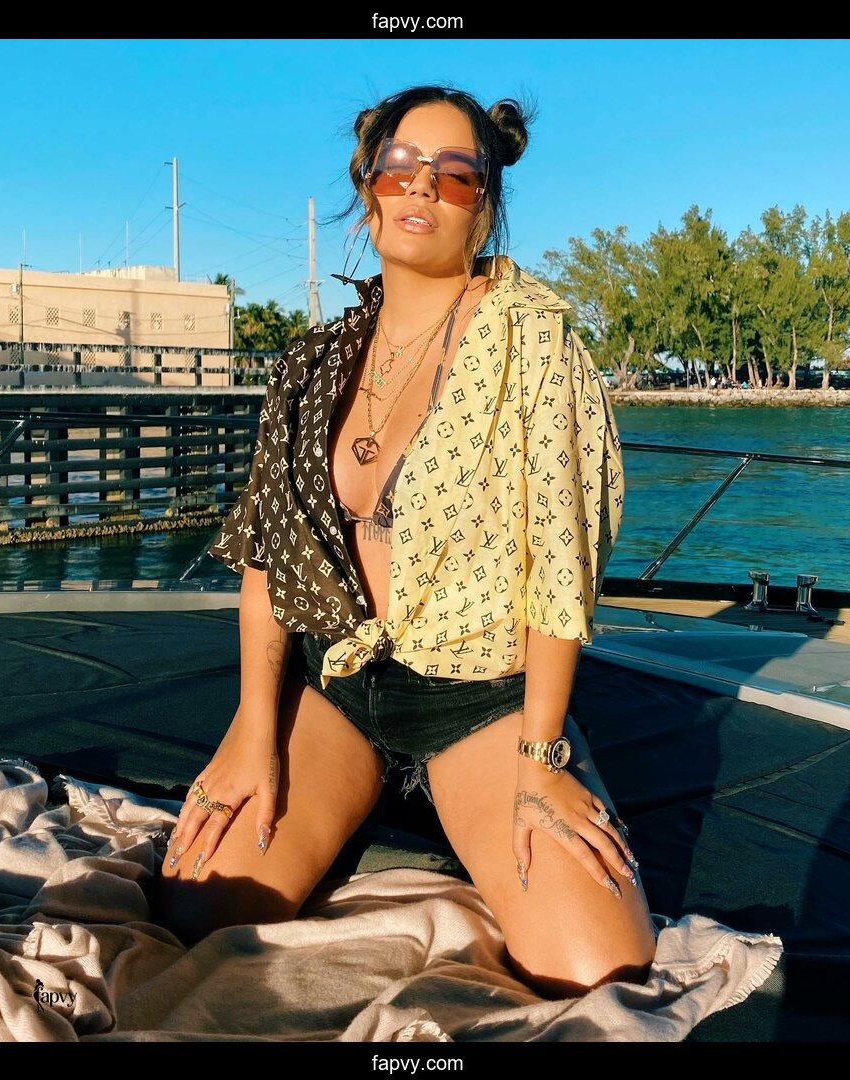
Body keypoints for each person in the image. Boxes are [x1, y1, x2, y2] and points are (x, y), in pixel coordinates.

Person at [157, 84, 657, 998]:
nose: (423, 185)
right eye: (400, 166)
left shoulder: (534, 347)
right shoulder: (313, 362)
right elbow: (270, 561)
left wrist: (541, 760)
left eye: (456, 175)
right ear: (368, 186)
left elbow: (561, 568)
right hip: (340, 683)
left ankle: (456, 790)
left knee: (598, 965)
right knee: (198, 905)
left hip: (481, 699)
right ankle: (360, 789)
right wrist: (251, 732)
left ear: (484, 207)